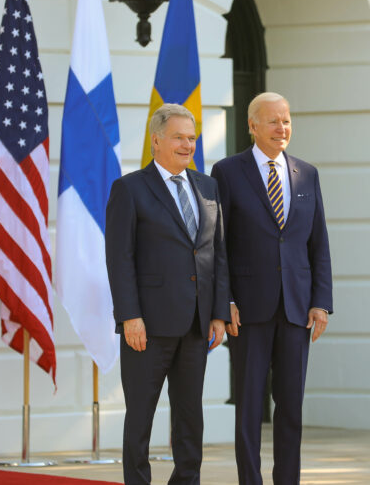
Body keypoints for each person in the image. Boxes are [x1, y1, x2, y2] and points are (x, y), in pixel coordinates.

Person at [210, 92, 333, 485]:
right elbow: (218, 244)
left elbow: (319, 243)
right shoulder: (227, 172)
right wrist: (224, 299)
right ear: (252, 126)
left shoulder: (306, 174)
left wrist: (321, 302)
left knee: (291, 407)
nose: (283, 128)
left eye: (287, 121)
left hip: (297, 309)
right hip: (247, 310)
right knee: (248, 407)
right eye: (274, 121)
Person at [105, 103, 229, 485]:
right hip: (148, 325)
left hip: (196, 323)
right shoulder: (129, 189)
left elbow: (217, 252)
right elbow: (119, 258)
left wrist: (219, 312)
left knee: (190, 415)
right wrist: (129, 315)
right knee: (140, 416)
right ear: (156, 140)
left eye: (192, 138)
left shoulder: (207, 186)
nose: (187, 145)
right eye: (179, 137)